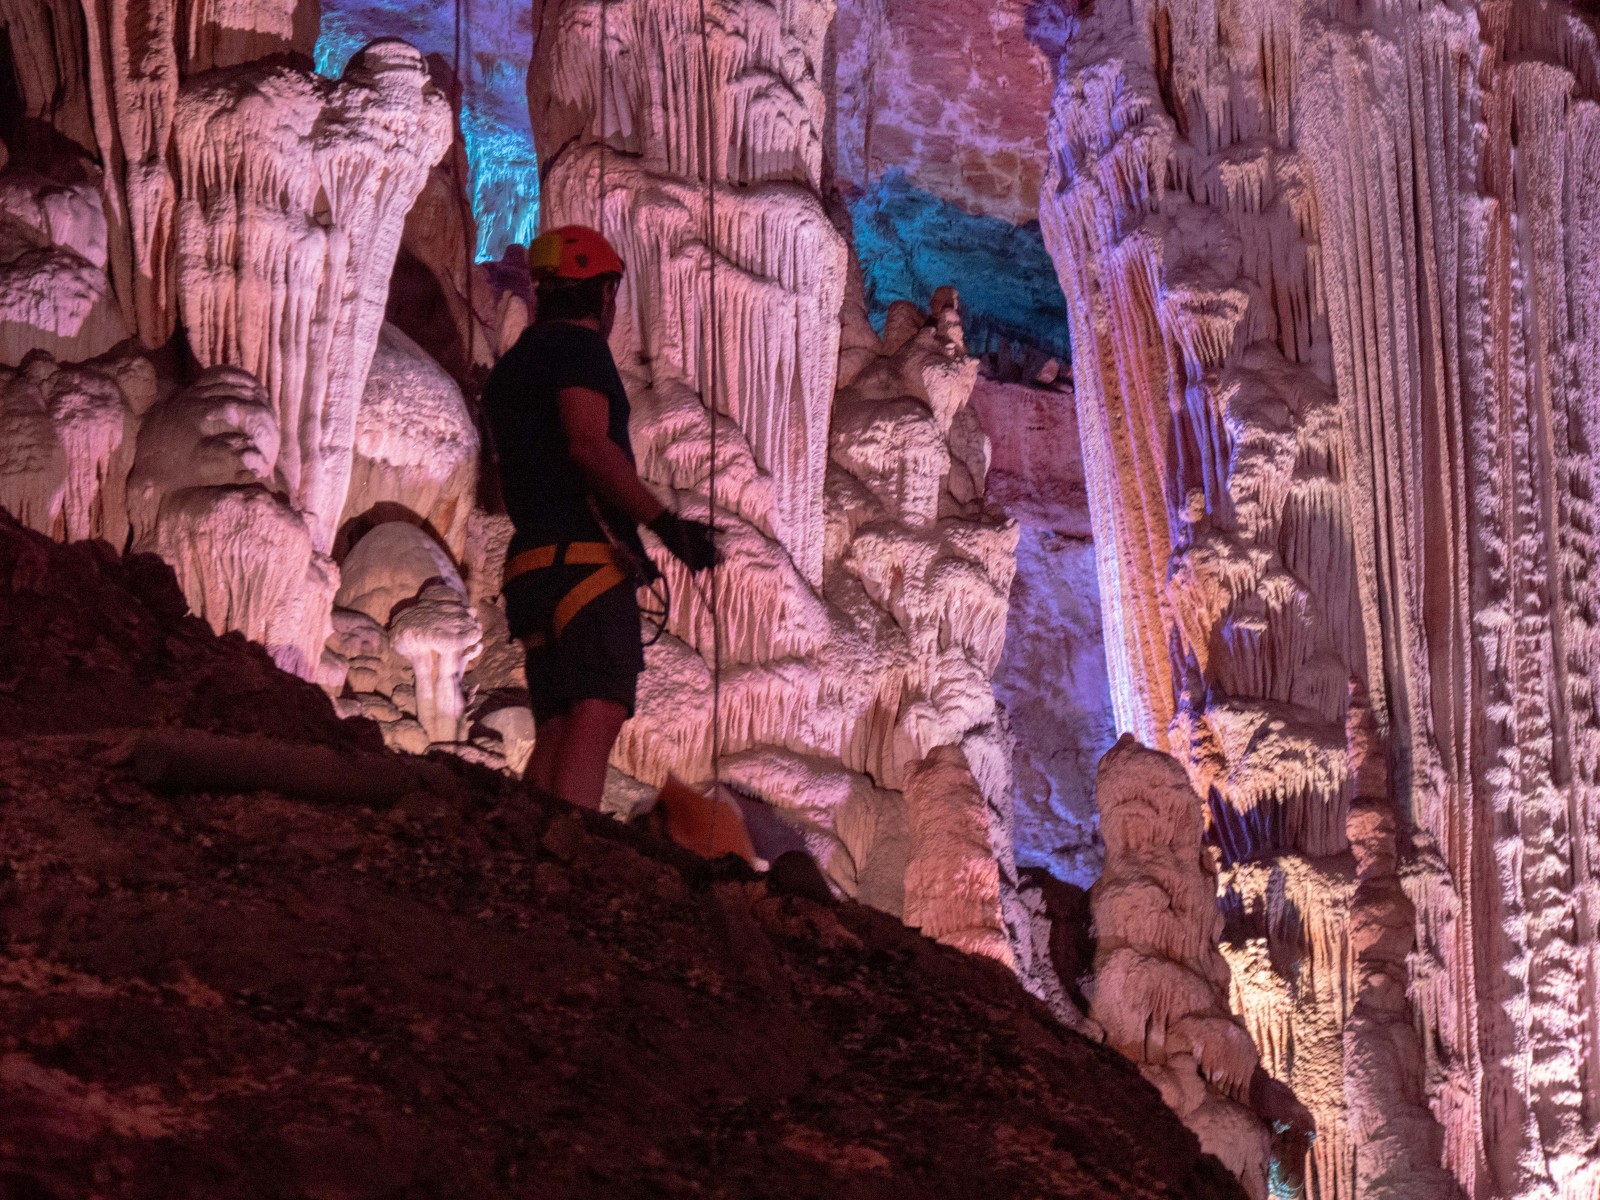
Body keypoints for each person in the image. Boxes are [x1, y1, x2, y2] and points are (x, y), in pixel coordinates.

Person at [482, 225, 719, 809]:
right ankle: (571, 848)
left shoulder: (511, 369)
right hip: (583, 563)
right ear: (604, 294)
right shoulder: (578, 350)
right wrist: (667, 527)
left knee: (558, 723)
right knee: (598, 710)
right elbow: (588, 446)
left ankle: (528, 850)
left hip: (531, 567)